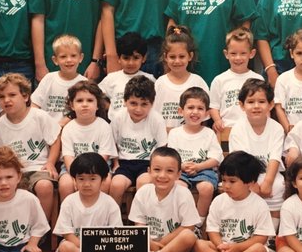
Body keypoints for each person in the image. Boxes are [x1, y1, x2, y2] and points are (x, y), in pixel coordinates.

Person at [189, 151, 275, 252]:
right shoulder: (218, 201)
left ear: (250, 182)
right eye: (223, 180)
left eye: (232, 181)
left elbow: (261, 238)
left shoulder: (259, 204)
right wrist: (221, 247)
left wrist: (237, 248)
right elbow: (212, 230)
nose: (226, 185)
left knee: (259, 250)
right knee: (198, 244)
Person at [0, 73, 61, 221]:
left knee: (44, 186)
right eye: (1, 97)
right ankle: (17, 230)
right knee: (5, 187)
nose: (7, 100)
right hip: (14, 171)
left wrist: (50, 163)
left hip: (38, 168)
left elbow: (55, 140)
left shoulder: (39, 116)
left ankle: (41, 230)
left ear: (25, 97)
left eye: (12, 95)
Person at [47, 153, 123, 252]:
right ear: (74, 180)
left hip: (102, 248)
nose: (86, 184)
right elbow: (67, 234)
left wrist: (98, 248)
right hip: (76, 245)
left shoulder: (110, 203)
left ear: (103, 179)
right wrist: (86, 247)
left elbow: (115, 233)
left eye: (92, 179)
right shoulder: (69, 202)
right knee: (65, 247)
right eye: (81, 179)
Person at [129, 146, 200, 252]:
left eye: (169, 171)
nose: (162, 175)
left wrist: (160, 244)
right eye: (157, 170)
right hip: (148, 245)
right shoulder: (143, 192)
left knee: (189, 236)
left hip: (174, 246)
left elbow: (188, 227)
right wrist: (150, 243)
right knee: (133, 237)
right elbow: (139, 225)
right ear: (149, 171)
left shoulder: (183, 194)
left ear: (178, 174)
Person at [229, 79, 285, 231]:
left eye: (261, 101)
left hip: (270, 173)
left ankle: (271, 235)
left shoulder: (277, 128)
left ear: (271, 105)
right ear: (241, 105)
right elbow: (240, 161)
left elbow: (275, 157)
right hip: (245, 175)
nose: (256, 106)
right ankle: (248, 231)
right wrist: (251, 184)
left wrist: (267, 182)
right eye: (250, 101)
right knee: (242, 189)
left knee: (278, 185)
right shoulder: (238, 129)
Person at [109, 75, 167, 206]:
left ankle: (139, 223)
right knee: (116, 185)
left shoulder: (157, 119)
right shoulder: (118, 118)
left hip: (147, 164)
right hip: (124, 163)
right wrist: (116, 163)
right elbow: (112, 144)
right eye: (133, 103)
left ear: (152, 104)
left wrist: (154, 169)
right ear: (125, 101)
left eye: (144, 104)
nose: (138, 109)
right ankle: (114, 222)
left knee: (144, 184)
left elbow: (161, 149)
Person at [167, 87, 223, 222]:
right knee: (179, 187)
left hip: (204, 170)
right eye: (190, 107)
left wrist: (199, 167)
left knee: (206, 188)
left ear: (207, 113)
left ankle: (199, 222)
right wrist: (181, 166)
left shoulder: (209, 133)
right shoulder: (175, 133)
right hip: (181, 171)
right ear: (181, 111)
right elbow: (171, 158)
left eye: (200, 108)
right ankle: (182, 221)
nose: (195, 112)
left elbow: (216, 158)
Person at [59, 80, 117, 200]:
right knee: (65, 184)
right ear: (72, 105)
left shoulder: (104, 126)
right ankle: (70, 216)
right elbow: (68, 157)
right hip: (73, 168)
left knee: (105, 183)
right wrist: (76, 176)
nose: (84, 104)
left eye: (90, 100)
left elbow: (104, 156)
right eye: (79, 101)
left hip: (99, 167)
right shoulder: (68, 128)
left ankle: (100, 215)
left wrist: (90, 175)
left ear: (97, 105)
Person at [153, 26, 209, 130]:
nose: (177, 61)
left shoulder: (198, 82)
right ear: (165, 57)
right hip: (164, 140)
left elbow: (205, 118)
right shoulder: (159, 83)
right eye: (172, 57)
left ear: (190, 56)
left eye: (182, 56)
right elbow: (153, 116)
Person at [209, 27, 263, 134]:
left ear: (251, 54)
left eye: (243, 53)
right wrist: (217, 120)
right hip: (227, 129)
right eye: (233, 53)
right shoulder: (219, 80)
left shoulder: (258, 79)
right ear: (226, 54)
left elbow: (264, 106)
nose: (238, 58)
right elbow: (213, 107)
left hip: (252, 129)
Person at [30, 34, 86, 127]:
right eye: (63, 56)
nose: (69, 60)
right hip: (45, 128)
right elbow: (34, 105)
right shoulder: (49, 78)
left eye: (73, 56)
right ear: (55, 60)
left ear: (80, 58)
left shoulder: (84, 83)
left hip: (71, 129)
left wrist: (62, 124)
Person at [98, 32, 155, 122]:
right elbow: (96, 94)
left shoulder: (149, 79)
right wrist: (110, 107)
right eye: (126, 58)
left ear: (144, 58)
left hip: (142, 124)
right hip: (115, 125)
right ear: (119, 58)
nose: (131, 63)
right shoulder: (111, 78)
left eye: (136, 58)